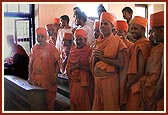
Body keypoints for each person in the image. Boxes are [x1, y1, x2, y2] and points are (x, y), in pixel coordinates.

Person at [90, 12, 127, 111]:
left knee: (110, 108)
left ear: (112, 27)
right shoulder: (97, 42)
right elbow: (94, 61)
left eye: (106, 24)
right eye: (101, 23)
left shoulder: (117, 41)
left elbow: (121, 63)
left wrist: (102, 58)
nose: (102, 26)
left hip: (110, 82)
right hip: (97, 82)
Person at [28, 27, 60, 110]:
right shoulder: (34, 48)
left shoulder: (51, 48)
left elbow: (57, 62)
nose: (40, 38)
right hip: (36, 80)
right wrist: (29, 77)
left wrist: (55, 76)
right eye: (38, 36)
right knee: (38, 103)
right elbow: (30, 64)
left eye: (42, 36)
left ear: (46, 37)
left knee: (49, 103)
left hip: (48, 79)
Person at [125, 16, 152, 111]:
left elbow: (140, 72)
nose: (132, 31)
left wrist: (128, 85)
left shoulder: (143, 45)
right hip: (133, 83)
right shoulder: (136, 44)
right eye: (131, 28)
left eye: (136, 28)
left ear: (143, 30)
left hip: (137, 85)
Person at [139, 11, 164, 111]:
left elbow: (162, 81)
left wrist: (153, 100)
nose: (150, 36)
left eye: (152, 31)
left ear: (161, 31)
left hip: (159, 97)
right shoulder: (157, 47)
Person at [66, 28, 94, 111]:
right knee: (74, 102)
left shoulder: (89, 51)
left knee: (85, 104)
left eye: (80, 39)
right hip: (74, 83)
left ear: (85, 39)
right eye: (76, 40)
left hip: (85, 83)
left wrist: (80, 67)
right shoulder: (72, 51)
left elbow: (92, 69)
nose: (78, 41)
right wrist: (76, 66)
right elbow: (68, 68)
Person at [114, 20, 134, 110]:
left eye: (120, 32)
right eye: (116, 32)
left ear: (125, 32)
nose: (118, 34)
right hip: (114, 76)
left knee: (124, 99)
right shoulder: (113, 44)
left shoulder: (131, 46)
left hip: (125, 75)